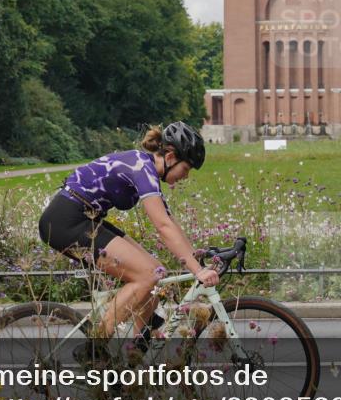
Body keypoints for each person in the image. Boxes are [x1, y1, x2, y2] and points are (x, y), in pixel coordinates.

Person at [38, 122, 219, 358]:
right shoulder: (141, 167)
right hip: (65, 222)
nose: (185, 176)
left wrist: (197, 258)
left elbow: (170, 222)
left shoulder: (147, 168)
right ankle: (94, 348)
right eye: (186, 169)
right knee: (147, 275)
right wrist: (198, 271)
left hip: (85, 218)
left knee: (157, 272)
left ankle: (134, 357)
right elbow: (162, 227)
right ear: (171, 156)